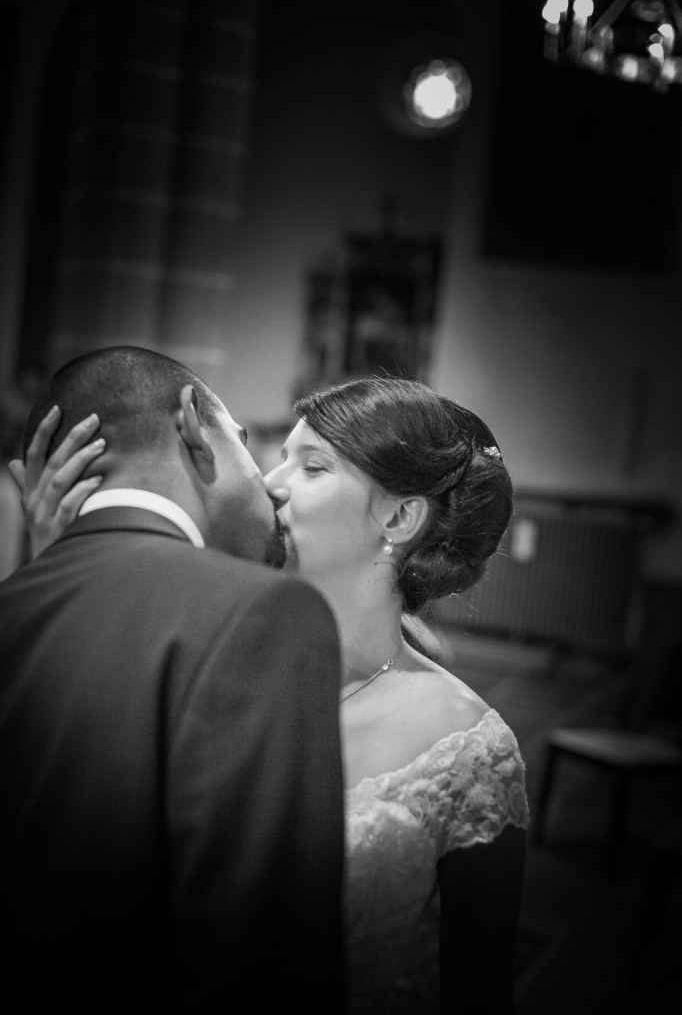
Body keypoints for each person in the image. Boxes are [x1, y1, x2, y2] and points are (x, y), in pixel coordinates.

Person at [14, 374, 529, 1015]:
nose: (270, 482)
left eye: (312, 466)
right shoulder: (203, 646)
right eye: (278, 457)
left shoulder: (468, 748)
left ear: (399, 516)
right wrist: (56, 564)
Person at [0, 345, 347, 1013]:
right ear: (192, 422)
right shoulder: (262, 612)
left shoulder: (16, 603)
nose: (270, 484)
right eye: (246, 443)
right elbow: (267, 955)